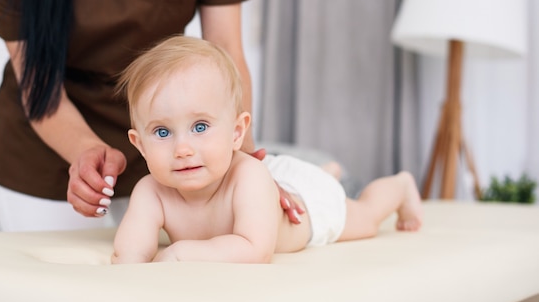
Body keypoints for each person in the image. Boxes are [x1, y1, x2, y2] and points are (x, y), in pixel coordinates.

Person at [0, 0, 305, 231]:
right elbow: (38, 83)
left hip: (171, 151)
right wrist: (84, 152)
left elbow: (226, 55)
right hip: (46, 159)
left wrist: (245, 170)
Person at [111, 36, 423, 264]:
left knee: (365, 219)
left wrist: (180, 253)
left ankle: (399, 187)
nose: (182, 148)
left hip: (306, 209)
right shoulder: (151, 192)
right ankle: (328, 172)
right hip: (270, 191)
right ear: (139, 144)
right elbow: (129, 255)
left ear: (237, 133)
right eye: (162, 132)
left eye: (200, 127)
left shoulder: (246, 177)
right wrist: (131, 264)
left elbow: (256, 249)